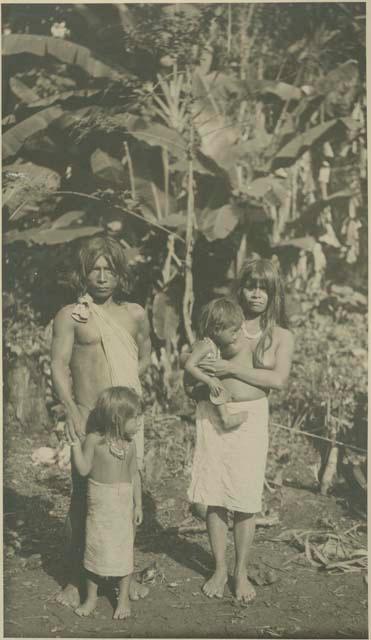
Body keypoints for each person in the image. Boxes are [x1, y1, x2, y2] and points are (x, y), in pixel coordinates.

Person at [185, 257, 295, 603]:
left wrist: (230, 367)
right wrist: (205, 383)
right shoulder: (224, 322)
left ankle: (240, 570)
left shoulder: (280, 334)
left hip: (250, 418)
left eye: (264, 287)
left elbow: (277, 379)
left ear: (274, 291)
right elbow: (191, 371)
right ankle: (219, 567)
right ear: (241, 288)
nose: (257, 294)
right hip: (214, 414)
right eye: (251, 286)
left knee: (246, 497)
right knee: (215, 495)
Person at [51, 235, 151, 608]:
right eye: (95, 268)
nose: (103, 276)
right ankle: (76, 578)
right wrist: (73, 409)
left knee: (124, 499)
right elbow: (58, 365)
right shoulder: (72, 314)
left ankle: (123, 573)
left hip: (124, 422)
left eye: (110, 268)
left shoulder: (136, 313)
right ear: (84, 273)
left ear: (120, 272)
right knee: (83, 500)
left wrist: (126, 399)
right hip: (89, 419)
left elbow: (144, 355)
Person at [66, 387, 143, 619]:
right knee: (94, 548)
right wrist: (73, 445)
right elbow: (82, 469)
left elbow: (134, 476)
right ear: (117, 419)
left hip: (122, 506)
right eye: (135, 417)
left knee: (124, 550)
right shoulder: (94, 441)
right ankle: (90, 598)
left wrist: (138, 504)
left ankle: (122, 600)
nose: (139, 422)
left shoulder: (130, 445)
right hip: (100, 505)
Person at [185, 298, 251, 430]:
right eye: (233, 331)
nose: (236, 336)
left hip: (200, 382)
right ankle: (226, 418)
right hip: (193, 384)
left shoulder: (216, 346)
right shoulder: (205, 346)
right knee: (216, 379)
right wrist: (209, 381)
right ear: (216, 330)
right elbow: (189, 365)